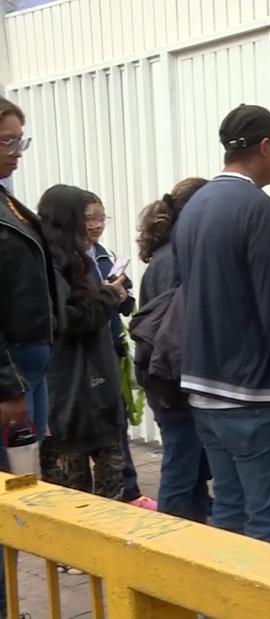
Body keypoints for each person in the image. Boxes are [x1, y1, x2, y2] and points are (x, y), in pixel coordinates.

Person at [173, 104, 270, 545]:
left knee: (231, 515)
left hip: (204, 391)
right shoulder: (261, 210)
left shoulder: (193, 207)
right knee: (268, 524)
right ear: (264, 146)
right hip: (254, 397)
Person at [38, 185, 130, 503]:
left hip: (95, 389)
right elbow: (72, 318)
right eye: (85, 217)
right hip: (67, 397)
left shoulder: (85, 259)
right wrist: (108, 295)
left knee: (110, 496)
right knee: (72, 501)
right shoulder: (45, 264)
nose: (92, 225)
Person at [136, 177, 212, 521]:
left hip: (166, 381)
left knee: (191, 472)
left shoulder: (166, 257)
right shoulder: (177, 260)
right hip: (174, 383)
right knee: (181, 474)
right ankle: (172, 548)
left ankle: (193, 544)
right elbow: (174, 331)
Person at [0, 95, 48, 619]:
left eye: (21, 140)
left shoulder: (8, 201)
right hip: (9, 378)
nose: (17, 151)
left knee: (21, 494)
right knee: (6, 497)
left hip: (27, 372)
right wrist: (8, 389)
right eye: (8, 141)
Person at [85, 192, 154, 510]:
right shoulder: (65, 258)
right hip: (84, 357)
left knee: (118, 419)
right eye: (90, 218)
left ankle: (128, 490)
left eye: (101, 218)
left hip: (112, 348)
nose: (97, 225)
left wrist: (121, 293)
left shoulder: (103, 255)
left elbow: (126, 307)